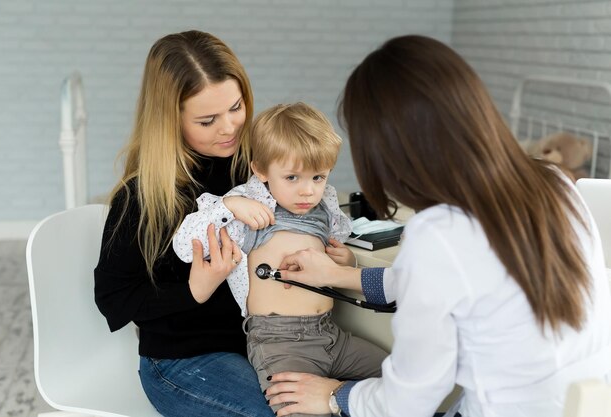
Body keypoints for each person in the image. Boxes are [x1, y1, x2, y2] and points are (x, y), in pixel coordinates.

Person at [265, 35, 611, 417]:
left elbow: (408, 402)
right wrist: (343, 275)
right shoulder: (553, 182)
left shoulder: (440, 233)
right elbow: (455, 284)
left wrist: (335, 395)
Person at [93, 30, 276, 417]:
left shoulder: (255, 165)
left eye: (236, 107)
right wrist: (195, 289)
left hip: (261, 343)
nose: (229, 127)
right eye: (208, 120)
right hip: (183, 362)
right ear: (169, 120)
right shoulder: (144, 194)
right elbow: (113, 299)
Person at [172, 102, 388, 417]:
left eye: (318, 177)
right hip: (279, 342)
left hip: (330, 335)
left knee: (396, 376)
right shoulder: (248, 206)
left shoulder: (324, 205)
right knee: (296, 410)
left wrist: (347, 260)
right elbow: (182, 245)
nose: (307, 191)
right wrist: (228, 207)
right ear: (261, 170)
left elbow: (336, 246)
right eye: (292, 178)